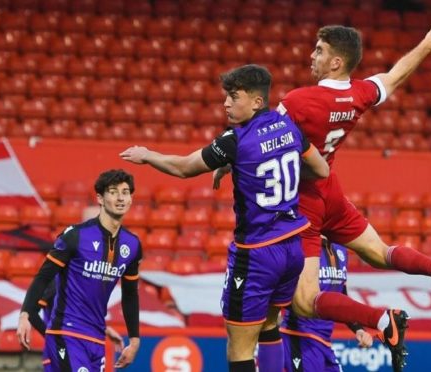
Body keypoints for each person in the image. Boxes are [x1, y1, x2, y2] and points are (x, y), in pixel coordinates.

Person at [213, 20, 431, 372]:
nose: (312, 55)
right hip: (333, 194)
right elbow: (395, 76)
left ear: (336, 61)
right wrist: (427, 45)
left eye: (319, 50)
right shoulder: (358, 94)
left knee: (305, 303)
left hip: (303, 203)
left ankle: (383, 319)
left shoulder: (298, 101)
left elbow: (264, 139)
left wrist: (227, 161)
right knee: (382, 253)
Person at [120, 64, 330, 372]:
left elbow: (184, 167)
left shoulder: (235, 140)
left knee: (240, 345)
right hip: (292, 247)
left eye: (234, 97)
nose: (226, 104)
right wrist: (245, 166)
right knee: (270, 325)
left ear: (257, 101)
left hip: (258, 253)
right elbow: (321, 169)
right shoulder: (288, 126)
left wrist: (148, 154)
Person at [17, 169, 142, 371]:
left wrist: (134, 340)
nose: (120, 198)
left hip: (97, 338)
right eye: (113, 191)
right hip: (67, 333)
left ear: (131, 199)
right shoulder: (75, 236)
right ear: (100, 198)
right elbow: (43, 276)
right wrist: (24, 315)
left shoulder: (132, 245)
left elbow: (130, 295)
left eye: (125, 192)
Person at [279, 237, 373, 372]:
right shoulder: (302, 247)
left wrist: (358, 329)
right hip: (300, 338)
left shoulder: (340, 249)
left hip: (324, 341)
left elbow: (341, 296)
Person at [26, 281, 127, 367]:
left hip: (83, 347)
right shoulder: (57, 280)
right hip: (60, 352)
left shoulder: (77, 282)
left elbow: (79, 316)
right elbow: (31, 312)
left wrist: (105, 329)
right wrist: (53, 338)